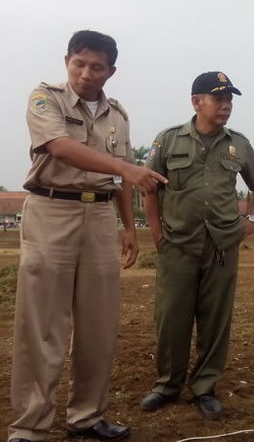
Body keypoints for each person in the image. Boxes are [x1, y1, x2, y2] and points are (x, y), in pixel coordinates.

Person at [8, 30, 165, 442]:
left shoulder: (118, 116)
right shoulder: (46, 98)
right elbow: (59, 146)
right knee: (41, 325)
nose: (86, 73)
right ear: (66, 61)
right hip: (51, 210)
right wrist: (126, 169)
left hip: (99, 216)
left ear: (111, 71)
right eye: (79, 63)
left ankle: (87, 415)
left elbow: (121, 175)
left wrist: (128, 227)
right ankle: (29, 425)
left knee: (98, 323)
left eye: (96, 66)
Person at [139, 72, 254, 420]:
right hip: (177, 244)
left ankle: (205, 387)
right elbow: (148, 188)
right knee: (171, 317)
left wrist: (251, 222)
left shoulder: (238, 144)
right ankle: (166, 385)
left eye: (230, 99)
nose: (226, 105)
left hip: (223, 245)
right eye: (218, 98)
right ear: (197, 102)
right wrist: (156, 232)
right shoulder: (168, 141)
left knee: (215, 320)